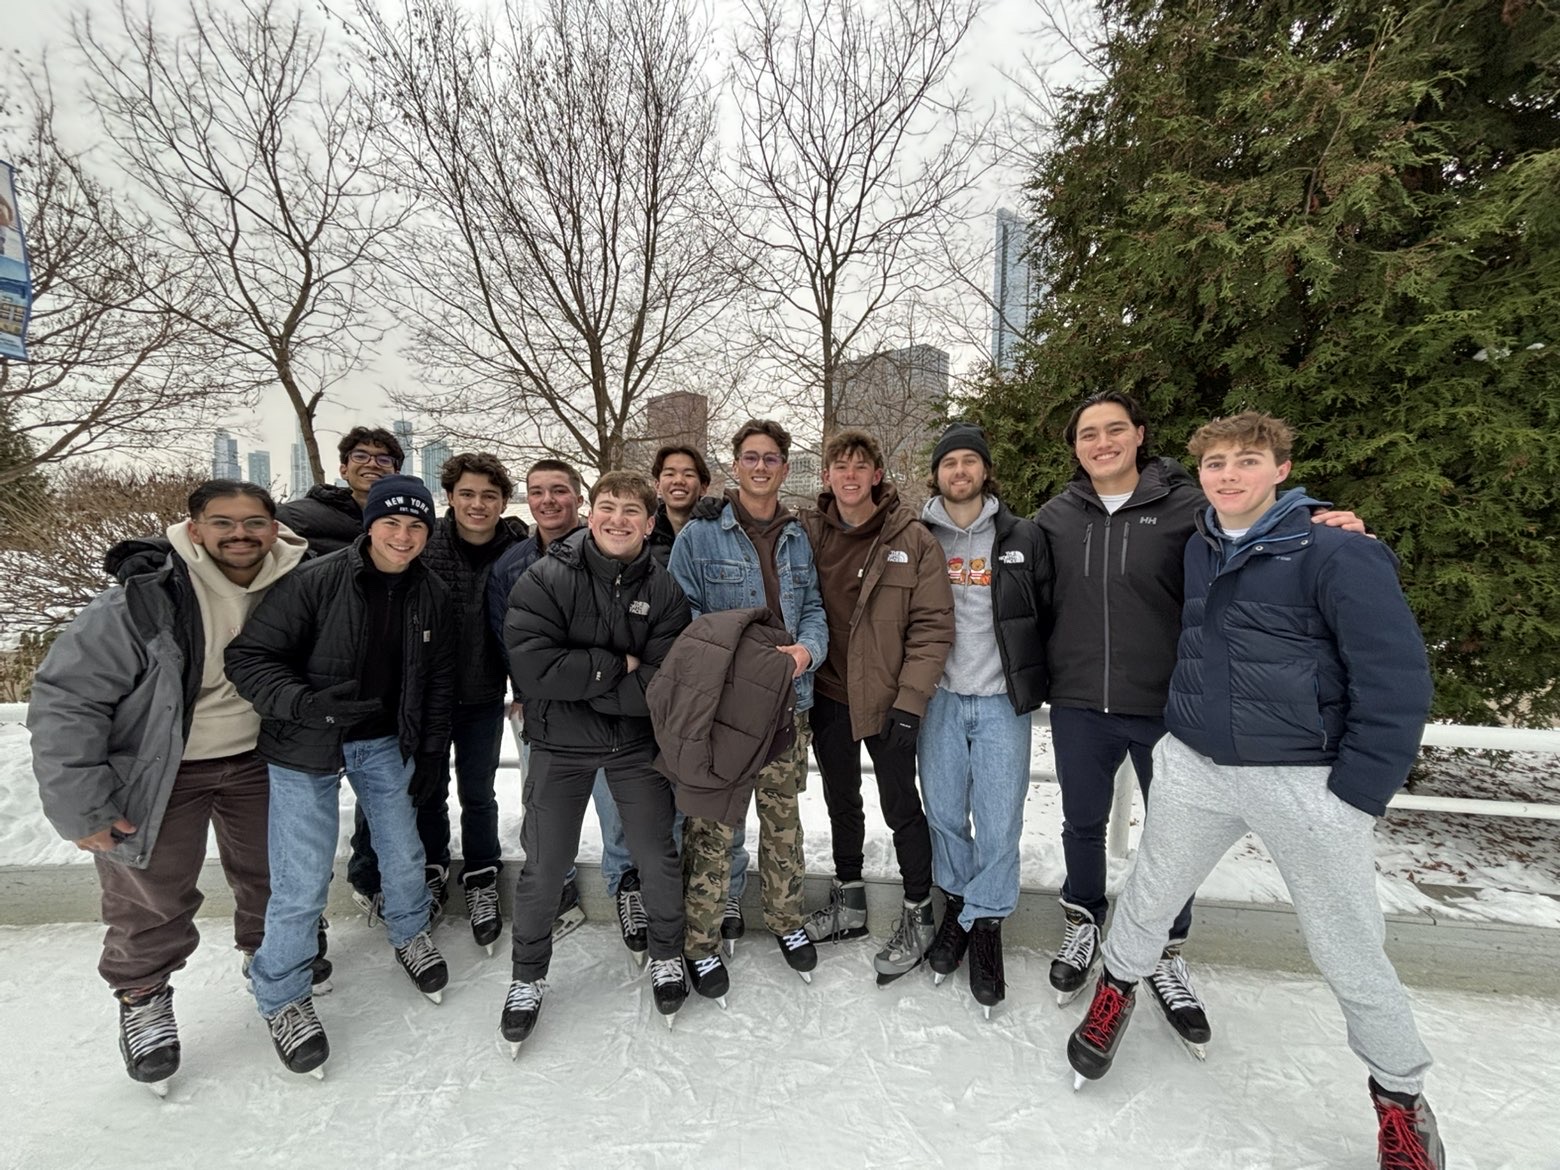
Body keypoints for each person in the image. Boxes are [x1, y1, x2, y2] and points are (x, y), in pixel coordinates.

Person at [1066, 412, 1443, 1170]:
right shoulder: (1202, 542)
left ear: (1281, 468)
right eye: (1215, 463)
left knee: (1347, 947)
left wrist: (1356, 796)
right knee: (1149, 892)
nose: (1228, 475)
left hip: (1305, 779)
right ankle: (1118, 990)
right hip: (1198, 765)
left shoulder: (1336, 551)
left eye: (1247, 461)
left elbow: (1397, 682)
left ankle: (1400, 1099)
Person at [1036, 390, 1364, 1046]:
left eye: (1114, 430)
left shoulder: (1188, 507)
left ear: (1138, 435)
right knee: (1081, 822)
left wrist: (1323, 519)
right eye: (1087, 434)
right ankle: (1084, 920)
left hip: (1167, 707)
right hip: (1078, 702)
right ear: (1075, 448)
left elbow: (1256, 521)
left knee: (1172, 839)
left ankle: (1164, 952)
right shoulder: (1054, 518)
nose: (1101, 442)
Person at [28, 481, 308, 1094]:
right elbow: (68, 699)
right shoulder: (144, 598)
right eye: (224, 522)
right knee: (149, 892)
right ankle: (143, 995)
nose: (241, 534)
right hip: (162, 768)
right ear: (195, 529)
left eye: (255, 522)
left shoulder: (299, 579)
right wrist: (82, 807)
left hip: (263, 761)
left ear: (275, 526)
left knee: (280, 879)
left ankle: (280, 977)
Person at [226, 474, 455, 1077]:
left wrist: (431, 750)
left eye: (415, 526)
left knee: (404, 850)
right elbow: (248, 658)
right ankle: (282, 993)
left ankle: (409, 931)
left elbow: (436, 679)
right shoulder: (317, 581)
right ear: (370, 525)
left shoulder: (429, 591)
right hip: (305, 746)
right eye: (391, 523)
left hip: (383, 741)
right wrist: (304, 703)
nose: (402, 536)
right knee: (301, 877)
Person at [498, 472, 692, 1050]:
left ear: (649, 523)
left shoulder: (664, 592)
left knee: (656, 855)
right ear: (590, 513)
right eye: (608, 507)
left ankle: (665, 953)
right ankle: (526, 977)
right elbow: (533, 671)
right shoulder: (546, 577)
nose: (618, 520)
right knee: (543, 865)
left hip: (633, 747)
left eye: (632, 511)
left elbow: (663, 684)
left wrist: (582, 676)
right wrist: (617, 666)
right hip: (558, 747)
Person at [668, 419, 828, 1003]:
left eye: (771, 458)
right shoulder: (701, 536)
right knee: (713, 826)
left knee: (782, 822)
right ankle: (700, 941)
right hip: (726, 712)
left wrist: (807, 652)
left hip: (790, 704)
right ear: (736, 465)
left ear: (785, 467)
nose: (761, 467)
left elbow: (812, 605)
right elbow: (681, 618)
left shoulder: (798, 534)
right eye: (750, 457)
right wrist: (733, 674)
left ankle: (786, 920)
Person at [348, 452, 527, 954]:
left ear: (502, 501)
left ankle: (482, 875)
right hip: (420, 696)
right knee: (425, 789)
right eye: (467, 494)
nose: (477, 504)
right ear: (450, 497)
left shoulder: (514, 549)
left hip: (484, 693)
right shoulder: (424, 544)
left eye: (489, 495)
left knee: (480, 791)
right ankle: (429, 870)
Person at [797, 429, 954, 986]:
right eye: (840, 466)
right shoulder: (807, 531)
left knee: (900, 805)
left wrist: (911, 702)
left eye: (861, 466)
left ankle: (918, 911)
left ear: (877, 475)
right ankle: (850, 899)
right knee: (841, 799)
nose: (850, 475)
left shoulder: (912, 539)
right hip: (829, 694)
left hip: (890, 699)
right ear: (827, 476)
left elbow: (933, 627)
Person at [918, 422, 1051, 1017]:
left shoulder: (1022, 534)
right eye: (950, 463)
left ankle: (984, 926)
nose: (960, 472)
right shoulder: (915, 536)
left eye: (970, 461)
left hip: (1000, 699)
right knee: (945, 813)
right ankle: (958, 908)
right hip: (937, 696)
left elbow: (1048, 607)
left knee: (998, 820)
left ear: (984, 471)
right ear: (937, 473)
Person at [486, 459, 604, 940]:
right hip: (541, 707)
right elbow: (504, 638)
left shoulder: (607, 548)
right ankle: (559, 887)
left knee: (615, 803)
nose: (548, 500)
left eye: (559, 490)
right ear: (528, 499)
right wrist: (523, 691)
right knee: (544, 804)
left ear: (579, 496)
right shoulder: (511, 565)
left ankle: (626, 885)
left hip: (606, 699)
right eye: (538, 492)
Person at [277, 426, 406, 555]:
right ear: (344, 471)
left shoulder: (414, 521)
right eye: (360, 456)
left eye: (384, 460)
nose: (372, 464)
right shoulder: (295, 517)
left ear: (397, 475)